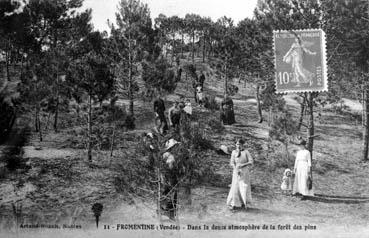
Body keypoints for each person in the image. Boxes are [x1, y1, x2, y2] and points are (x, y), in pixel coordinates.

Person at [226, 138, 253, 210]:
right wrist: (235, 168)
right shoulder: (234, 152)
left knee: (243, 187)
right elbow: (231, 162)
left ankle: (244, 203)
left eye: (240, 144)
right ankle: (233, 204)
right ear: (235, 144)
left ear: (243, 145)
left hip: (244, 172)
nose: (238, 145)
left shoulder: (246, 152)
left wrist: (243, 165)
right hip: (236, 172)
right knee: (234, 187)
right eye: (237, 144)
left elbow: (251, 161)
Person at [161, 139, 180, 220]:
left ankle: (162, 210)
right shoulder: (171, 156)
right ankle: (170, 215)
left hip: (164, 178)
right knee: (172, 196)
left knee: (165, 194)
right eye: (176, 146)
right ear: (172, 147)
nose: (177, 148)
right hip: (170, 178)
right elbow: (170, 166)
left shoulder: (164, 154)